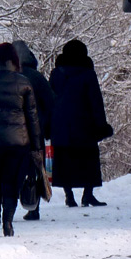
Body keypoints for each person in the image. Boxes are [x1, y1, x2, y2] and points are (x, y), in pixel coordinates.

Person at [0, 42, 43, 237]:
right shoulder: (24, 83)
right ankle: (8, 221)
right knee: (11, 182)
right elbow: (32, 117)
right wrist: (37, 146)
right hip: (19, 142)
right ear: (14, 61)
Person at [50, 39, 111, 207]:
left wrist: (49, 125)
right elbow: (96, 102)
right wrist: (101, 126)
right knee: (88, 160)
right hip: (84, 127)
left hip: (60, 127)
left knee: (63, 162)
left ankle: (69, 196)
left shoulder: (56, 74)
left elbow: (50, 100)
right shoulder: (88, 74)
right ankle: (88, 195)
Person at [13, 40, 56, 221]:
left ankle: (7, 207)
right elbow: (51, 101)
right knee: (33, 168)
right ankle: (33, 206)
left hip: (11, 131)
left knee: (13, 167)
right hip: (34, 129)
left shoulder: (5, 76)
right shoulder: (36, 77)